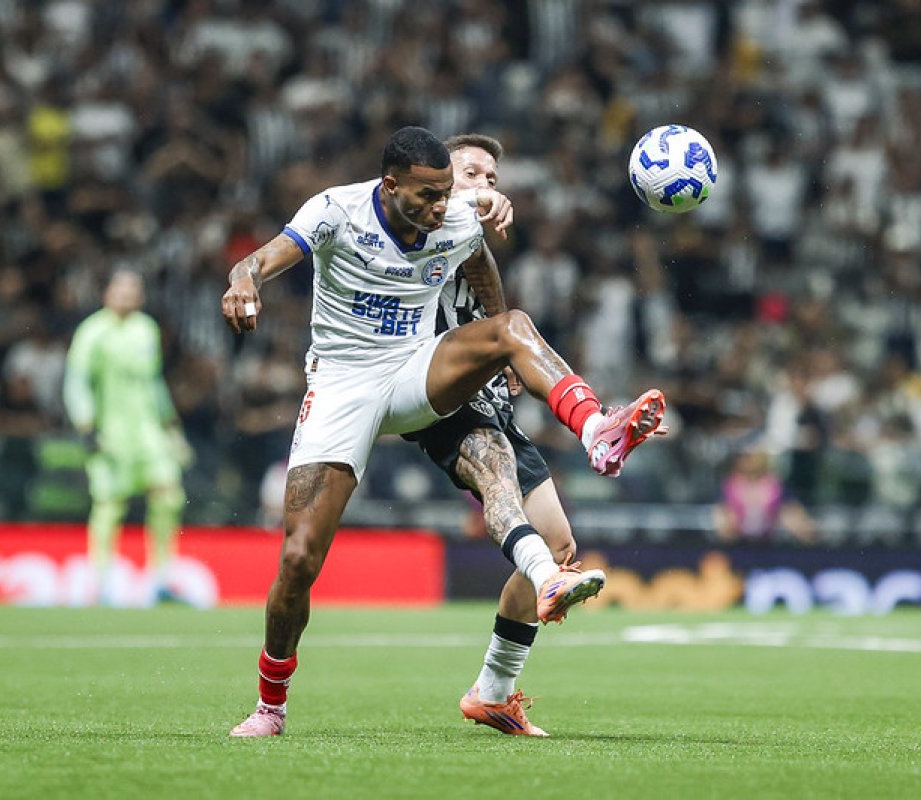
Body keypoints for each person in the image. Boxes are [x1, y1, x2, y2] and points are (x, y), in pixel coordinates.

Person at [221, 126, 666, 737]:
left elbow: (482, 270)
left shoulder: (455, 219)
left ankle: (596, 428)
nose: (440, 208)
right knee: (298, 559)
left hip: (414, 370)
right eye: (429, 195)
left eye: (447, 195)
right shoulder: (336, 211)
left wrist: (501, 352)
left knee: (513, 326)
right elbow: (267, 257)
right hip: (343, 383)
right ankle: (271, 705)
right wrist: (245, 277)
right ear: (391, 185)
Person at [403, 133, 599, 737]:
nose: (485, 186)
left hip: (490, 401)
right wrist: (474, 204)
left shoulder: (471, 240)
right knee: (500, 487)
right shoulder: (417, 225)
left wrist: (507, 355)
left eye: (491, 178)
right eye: (471, 174)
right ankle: (596, 427)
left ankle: (493, 691)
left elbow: (490, 299)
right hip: (436, 394)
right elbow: (446, 234)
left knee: (561, 541)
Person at [63, 270, 192, 606]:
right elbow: (77, 380)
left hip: (148, 431)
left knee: (169, 495)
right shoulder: (93, 331)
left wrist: (170, 426)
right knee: (109, 503)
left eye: (133, 289)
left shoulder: (146, 329)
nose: (126, 295)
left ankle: (162, 578)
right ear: (107, 292)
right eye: (120, 288)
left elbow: (154, 382)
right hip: (111, 432)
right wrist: (86, 425)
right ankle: (101, 583)